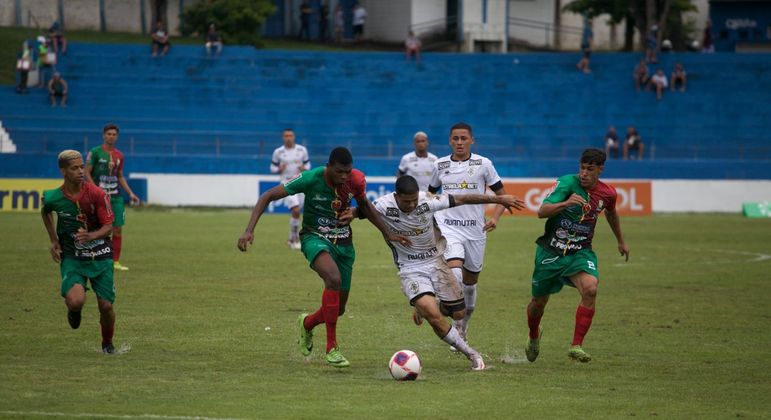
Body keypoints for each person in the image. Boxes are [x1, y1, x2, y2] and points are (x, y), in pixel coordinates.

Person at [237, 147, 410, 368]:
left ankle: (307, 324)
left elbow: (365, 206)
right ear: (329, 167)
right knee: (333, 279)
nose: (344, 177)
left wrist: (388, 232)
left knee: (338, 309)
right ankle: (332, 348)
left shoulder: (356, 180)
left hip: (344, 243)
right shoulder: (311, 178)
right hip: (314, 237)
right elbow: (268, 195)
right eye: (340, 172)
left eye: (348, 172)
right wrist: (249, 230)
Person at [360, 176, 524, 370]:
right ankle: (471, 354)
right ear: (396, 196)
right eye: (406, 201)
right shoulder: (382, 205)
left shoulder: (427, 200)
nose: (412, 204)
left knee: (459, 313)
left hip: (437, 262)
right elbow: (361, 211)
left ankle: (429, 306)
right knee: (434, 317)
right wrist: (347, 215)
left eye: (414, 200)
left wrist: (499, 199)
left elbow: (463, 199)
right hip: (410, 269)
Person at [524, 149, 629, 363]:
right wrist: (565, 203)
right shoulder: (566, 183)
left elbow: (610, 211)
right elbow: (541, 212)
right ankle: (534, 335)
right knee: (538, 303)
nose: (584, 173)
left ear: (601, 170)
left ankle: (576, 345)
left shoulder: (608, 193)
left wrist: (620, 240)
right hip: (551, 251)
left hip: (580, 252)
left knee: (590, 288)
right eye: (582, 168)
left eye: (590, 169)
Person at [427, 122, 509, 348]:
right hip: (448, 228)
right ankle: (443, 313)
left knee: (470, 284)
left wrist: (495, 218)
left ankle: (462, 326)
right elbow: (430, 194)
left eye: (464, 138)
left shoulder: (484, 164)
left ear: (472, 140)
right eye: (455, 138)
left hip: (475, 231)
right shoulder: (440, 164)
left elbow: (503, 195)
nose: (459, 142)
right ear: (449, 141)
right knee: (456, 276)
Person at [41, 150, 118, 354]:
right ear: (63, 171)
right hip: (73, 256)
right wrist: (53, 240)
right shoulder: (53, 197)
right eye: (74, 168)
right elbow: (45, 211)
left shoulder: (96, 194)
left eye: (81, 167)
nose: (80, 171)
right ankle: (74, 311)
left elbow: (109, 226)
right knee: (76, 301)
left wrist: (91, 236)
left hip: (100, 254)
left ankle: (107, 344)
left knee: (106, 306)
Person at [85, 124, 141, 271]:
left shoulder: (119, 155)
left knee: (117, 229)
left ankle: (115, 261)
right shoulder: (95, 152)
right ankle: (93, 257)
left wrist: (130, 193)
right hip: (99, 198)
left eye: (114, 134)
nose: (111, 136)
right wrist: (95, 190)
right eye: (108, 134)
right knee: (98, 228)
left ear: (117, 136)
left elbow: (120, 175)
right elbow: (86, 172)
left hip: (116, 196)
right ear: (104, 135)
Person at [270, 128, 310, 250]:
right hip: (287, 184)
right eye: (286, 136)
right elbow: (272, 167)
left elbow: (308, 165)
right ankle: (295, 239)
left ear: (294, 137)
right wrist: (279, 169)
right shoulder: (278, 152)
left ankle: (291, 238)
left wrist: (304, 168)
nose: (288, 138)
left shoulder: (302, 150)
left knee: (297, 213)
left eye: (290, 135)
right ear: (283, 137)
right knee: (296, 210)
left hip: (301, 183)